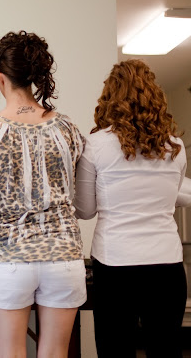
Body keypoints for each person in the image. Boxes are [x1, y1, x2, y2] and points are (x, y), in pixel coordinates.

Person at [0, 31, 86, 358]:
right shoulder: (67, 128)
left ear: (0, 76)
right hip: (63, 255)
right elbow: (74, 187)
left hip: (11, 256)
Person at [74, 59, 187, 357]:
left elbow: (85, 210)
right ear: (155, 95)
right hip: (167, 265)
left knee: (115, 351)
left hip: (116, 265)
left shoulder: (95, 145)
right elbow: (172, 197)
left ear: (110, 97)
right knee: (166, 351)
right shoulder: (175, 147)